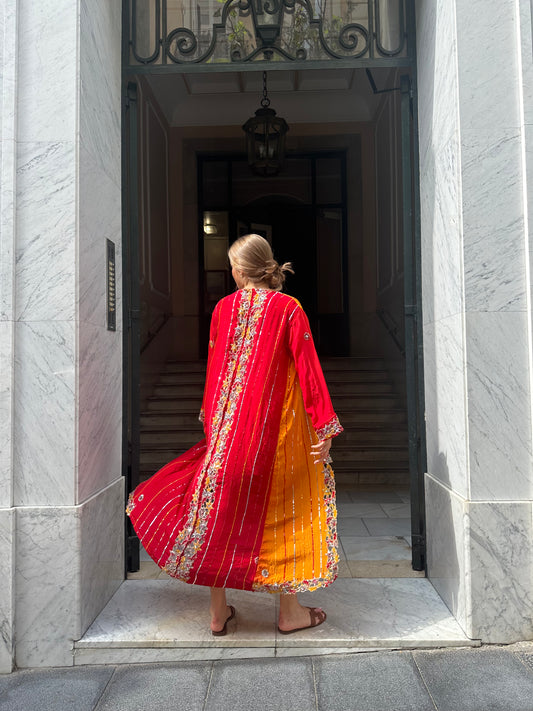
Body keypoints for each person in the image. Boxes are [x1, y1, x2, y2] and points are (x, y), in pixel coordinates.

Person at [127, 234, 343, 635]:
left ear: (241, 271)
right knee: (287, 511)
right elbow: (308, 368)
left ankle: (217, 612)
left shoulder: (223, 309)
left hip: (229, 435)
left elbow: (214, 370)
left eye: (231, 264)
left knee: (216, 515)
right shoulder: (289, 309)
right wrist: (324, 424)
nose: (230, 271)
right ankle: (290, 613)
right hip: (275, 438)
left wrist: (212, 424)